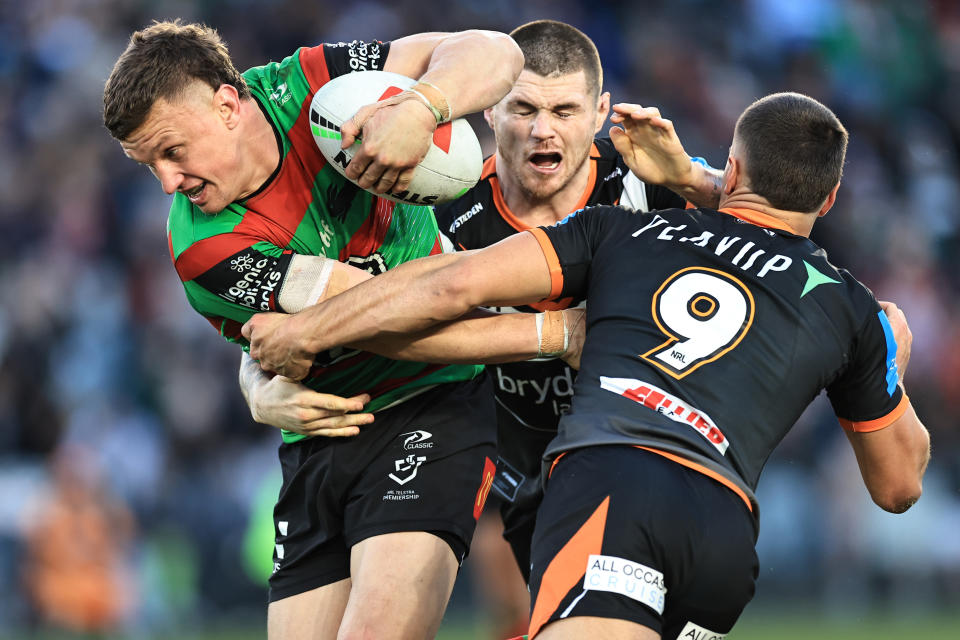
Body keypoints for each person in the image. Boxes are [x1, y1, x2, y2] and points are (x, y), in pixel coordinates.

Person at [242, 92, 931, 639]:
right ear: (831, 198)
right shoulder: (854, 309)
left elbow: (449, 286)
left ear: (737, 171)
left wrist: (306, 330)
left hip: (615, 484)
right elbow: (899, 486)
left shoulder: (626, 230)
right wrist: (891, 358)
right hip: (723, 534)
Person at [102, 19, 526, 639]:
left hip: (434, 398)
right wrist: (551, 335)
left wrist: (421, 107)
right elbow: (384, 314)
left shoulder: (310, 86)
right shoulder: (205, 248)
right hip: (321, 434)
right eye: (150, 166)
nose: (169, 183)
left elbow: (495, 50)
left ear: (226, 105)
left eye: (171, 152)